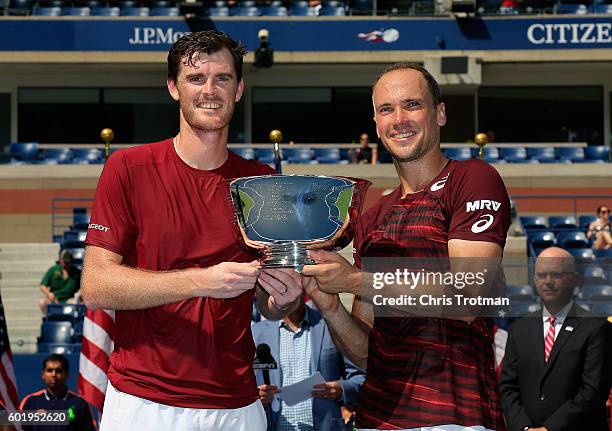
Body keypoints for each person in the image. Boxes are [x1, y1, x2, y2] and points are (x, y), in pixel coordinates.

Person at [81, 31, 303, 431]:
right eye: (196, 78)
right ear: (173, 88)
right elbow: (97, 286)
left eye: (222, 78)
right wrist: (201, 281)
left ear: (239, 89)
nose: (210, 90)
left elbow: (267, 302)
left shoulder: (262, 181)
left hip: (237, 403)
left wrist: (283, 300)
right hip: (144, 402)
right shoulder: (128, 169)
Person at [302, 63, 511, 430]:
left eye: (412, 104)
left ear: (440, 113)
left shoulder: (472, 179)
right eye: (386, 109)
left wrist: (356, 281)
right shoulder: (373, 215)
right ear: (376, 123)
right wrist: (331, 305)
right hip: (377, 418)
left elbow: (470, 296)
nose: (399, 119)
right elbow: (369, 355)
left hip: (455, 417)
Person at [499, 247, 612, 431]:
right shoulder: (519, 329)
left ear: (575, 279)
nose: (548, 282)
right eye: (542, 275)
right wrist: (524, 428)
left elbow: (593, 391)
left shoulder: (597, 328)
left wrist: (549, 429)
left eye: (556, 275)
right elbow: (508, 387)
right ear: (534, 279)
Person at [252, 293, 365, 431]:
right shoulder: (256, 333)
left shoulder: (332, 326)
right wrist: (256, 396)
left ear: (304, 290)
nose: (289, 295)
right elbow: (240, 384)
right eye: (282, 289)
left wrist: (341, 389)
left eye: (293, 285)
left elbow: (360, 378)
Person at [19, 354, 96, 431]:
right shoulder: (31, 402)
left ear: (67, 374)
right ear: (43, 374)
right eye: (49, 370)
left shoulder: (79, 403)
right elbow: (16, 426)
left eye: (58, 371)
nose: (53, 375)